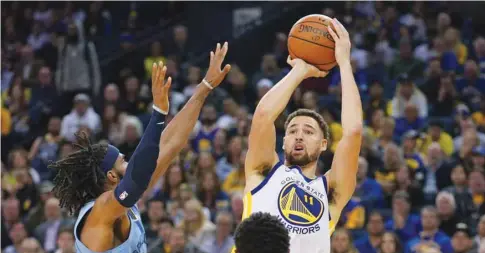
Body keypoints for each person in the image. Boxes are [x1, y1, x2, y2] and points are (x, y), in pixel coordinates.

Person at [48, 42, 232, 253]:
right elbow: (137, 177)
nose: (129, 163)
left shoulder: (125, 203)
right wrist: (158, 114)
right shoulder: (100, 210)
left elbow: (170, 143)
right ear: (111, 176)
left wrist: (204, 87)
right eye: (123, 161)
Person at [241, 19, 363, 253]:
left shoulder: (330, 192)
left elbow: (354, 132)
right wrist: (298, 71)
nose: (299, 136)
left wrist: (344, 63)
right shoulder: (263, 171)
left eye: (308, 132)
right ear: (283, 141)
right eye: (292, 131)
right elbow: (263, 116)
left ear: (324, 144)